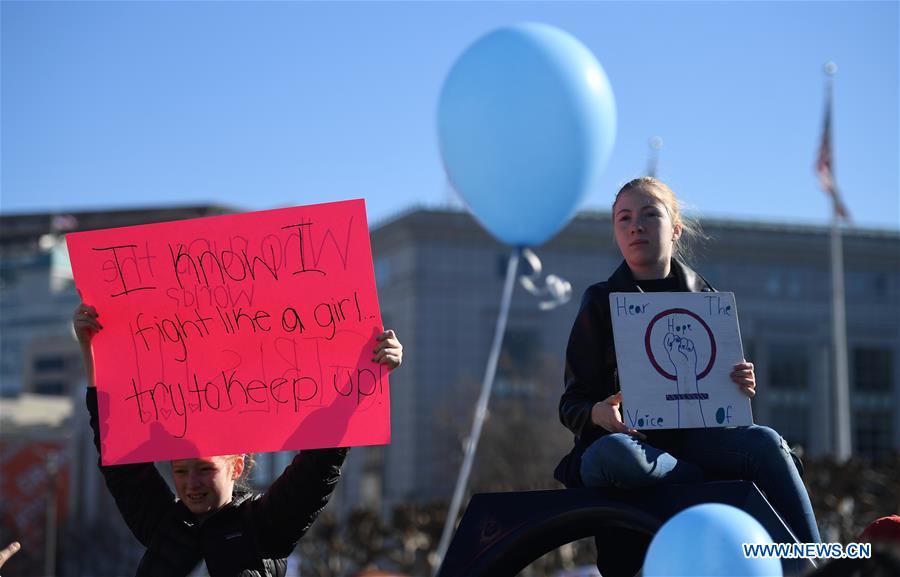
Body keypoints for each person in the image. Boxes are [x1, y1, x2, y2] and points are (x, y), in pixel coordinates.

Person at [555, 177, 820, 573]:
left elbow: (722, 401)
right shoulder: (599, 301)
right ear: (615, 231)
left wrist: (738, 384)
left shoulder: (706, 298)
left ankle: (815, 564)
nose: (636, 226)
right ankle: (698, 478)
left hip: (696, 441)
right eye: (624, 218)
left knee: (767, 443)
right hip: (633, 449)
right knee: (613, 455)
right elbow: (569, 403)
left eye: (649, 215)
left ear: (675, 228)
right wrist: (598, 413)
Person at [74, 301, 403, 577]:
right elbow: (116, 452)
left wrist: (368, 377)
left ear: (236, 466)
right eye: (180, 471)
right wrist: (93, 351)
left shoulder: (265, 526)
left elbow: (319, 466)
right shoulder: (162, 525)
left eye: (204, 469)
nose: (191, 484)